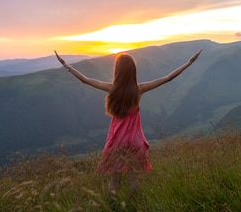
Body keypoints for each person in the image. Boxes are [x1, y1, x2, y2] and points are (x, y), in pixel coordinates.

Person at [54, 49, 202, 196]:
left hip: (117, 142)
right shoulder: (139, 89)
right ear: (133, 71)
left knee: (114, 180)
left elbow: (85, 80)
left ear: (117, 71)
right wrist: (189, 63)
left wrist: (66, 65)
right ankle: (135, 209)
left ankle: (112, 210)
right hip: (135, 142)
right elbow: (168, 78)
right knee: (133, 179)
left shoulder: (111, 89)